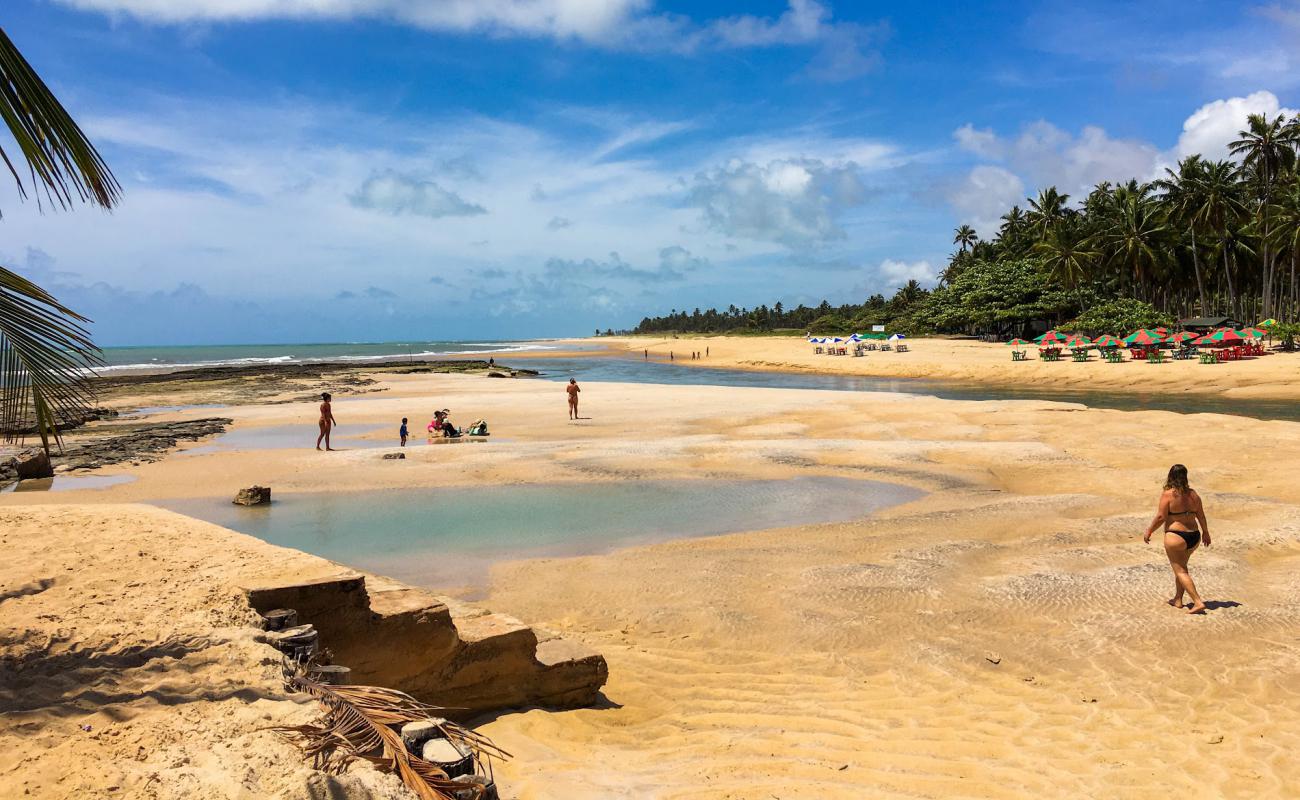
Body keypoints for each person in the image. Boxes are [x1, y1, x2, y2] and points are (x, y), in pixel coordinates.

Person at [1144, 464, 1211, 614]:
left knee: (1180, 571)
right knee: (1182, 567)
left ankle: (1197, 602)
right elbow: (1201, 515)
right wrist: (1206, 532)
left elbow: (1161, 516)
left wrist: (1149, 530)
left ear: (1170, 476)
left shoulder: (1168, 494)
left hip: (1176, 537)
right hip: (1194, 536)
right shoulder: (1193, 494)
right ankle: (1178, 599)